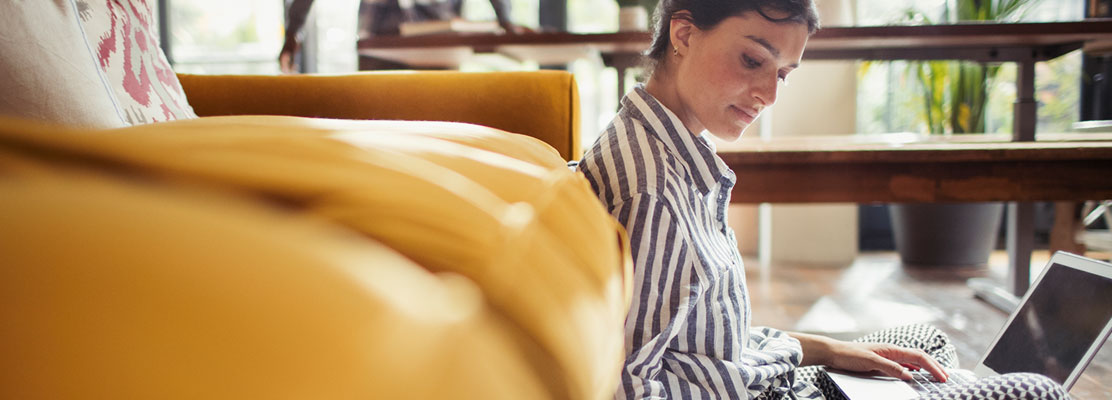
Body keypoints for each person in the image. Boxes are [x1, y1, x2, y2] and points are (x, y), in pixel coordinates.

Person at [577, 0, 1071, 399]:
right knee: (1036, 391)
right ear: (683, 35)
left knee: (927, 344)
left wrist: (832, 351)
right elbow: (629, 383)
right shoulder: (653, 190)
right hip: (764, 393)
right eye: (753, 60)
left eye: (784, 73)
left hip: (761, 372)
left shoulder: (664, 146)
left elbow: (702, 342)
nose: (769, 94)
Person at [278, 0, 524, 73]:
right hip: (378, 41)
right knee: (379, 134)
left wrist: (505, 18)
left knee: (442, 132)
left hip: (438, 42)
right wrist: (294, 31)